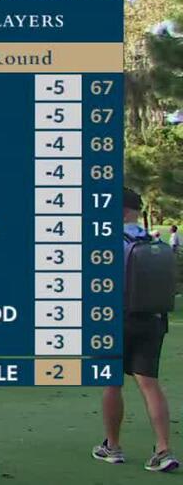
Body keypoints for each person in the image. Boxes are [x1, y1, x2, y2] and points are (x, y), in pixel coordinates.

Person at [93, 189, 179, 472]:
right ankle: (163, 449)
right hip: (152, 320)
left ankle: (113, 446)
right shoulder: (155, 240)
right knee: (149, 384)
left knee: (111, 382)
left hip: (116, 318)